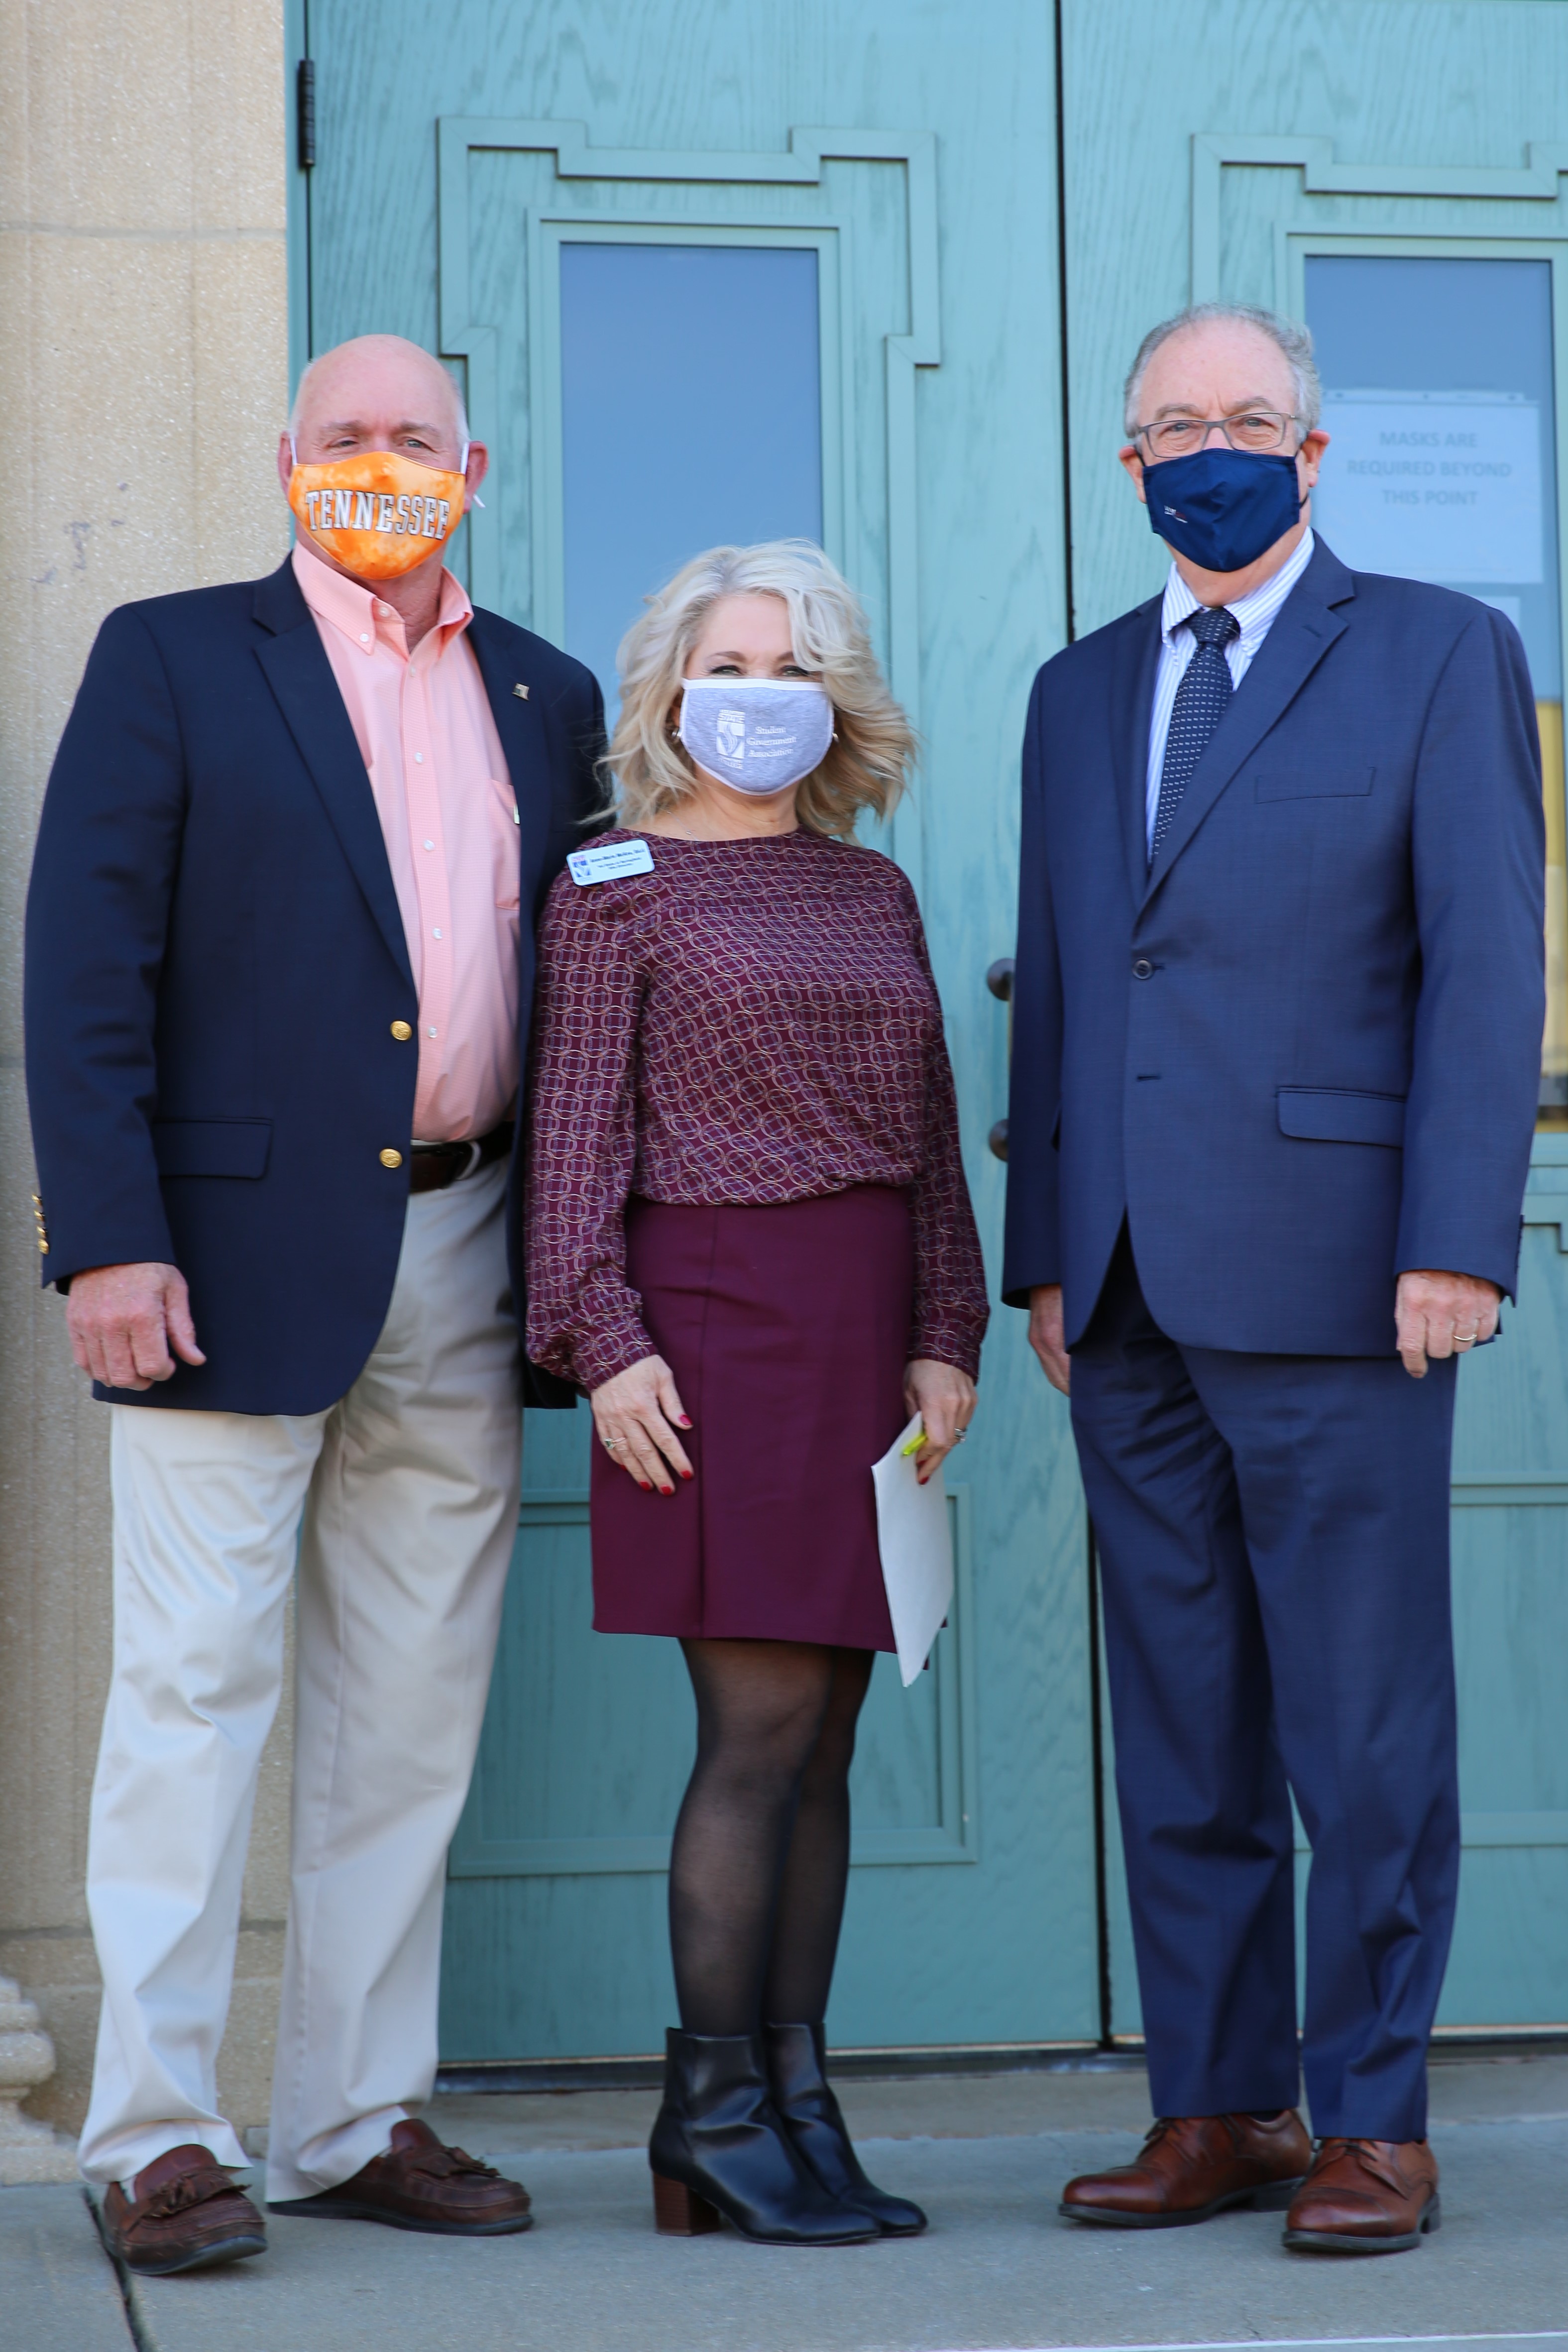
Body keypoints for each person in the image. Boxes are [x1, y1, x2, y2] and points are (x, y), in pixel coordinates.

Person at [24, 334, 603, 2274]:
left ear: (474, 463)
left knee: (411, 1712)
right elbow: (83, 966)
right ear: (286, 460)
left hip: (470, 1241)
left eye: (412, 442)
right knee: (191, 1698)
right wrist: (108, 1237)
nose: (378, 466)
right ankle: (158, 2136)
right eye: (343, 438)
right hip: (215, 1263)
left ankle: (354, 2118)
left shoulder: (547, 690)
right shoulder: (173, 657)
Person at [1003, 303, 1544, 2255]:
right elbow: (1062, 983)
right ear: (1125, 459)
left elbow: (1485, 967)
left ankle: (1372, 2116)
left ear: (1310, 452)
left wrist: (1449, 1240)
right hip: (1122, 1294)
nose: (1206, 446)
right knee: (1182, 1722)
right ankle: (1216, 2104)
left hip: (1342, 1281)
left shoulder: (1431, 653)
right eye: (1170, 423)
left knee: (1359, 1722)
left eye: (1245, 418)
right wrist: (1038, 1266)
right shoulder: (1073, 694)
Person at [525, 540, 989, 2246]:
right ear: (666, 689)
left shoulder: (873, 891)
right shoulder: (612, 880)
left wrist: (950, 1324)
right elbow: (573, 1142)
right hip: (706, 1329)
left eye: (791, 668)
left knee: (836, 1738)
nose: (759, 696)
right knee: (760, 1730)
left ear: (834, 697)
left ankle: (796, 2106)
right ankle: (711, 2116)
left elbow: (933, 1135)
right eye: (728, 663)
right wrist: (602, 1337)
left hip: (866, 1329)